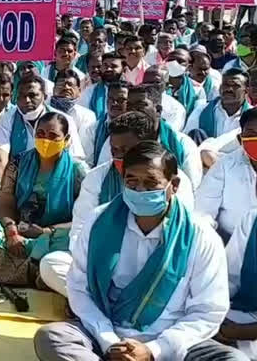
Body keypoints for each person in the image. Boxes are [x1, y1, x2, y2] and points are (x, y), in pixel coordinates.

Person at [34, 141, 244, 361]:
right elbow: (79, 288)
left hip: (172, 343)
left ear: (174, 184)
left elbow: (207, 310)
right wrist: (109, 342)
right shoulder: (99, 221)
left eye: (151, 183)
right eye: (131, 181)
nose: (140, 190)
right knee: (51, 337)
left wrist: (154, 350)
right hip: (107, 335)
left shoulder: (200, 235)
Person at [38, 113, 196, 297]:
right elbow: (80, 229)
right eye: (115, 151)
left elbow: (180, 232)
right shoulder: (97, 177)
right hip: (104, 265)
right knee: (52, 264)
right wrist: (101, 267)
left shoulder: (172, 182)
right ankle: (108, 303)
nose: (119, 157)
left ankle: (99, 304)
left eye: (126, 150)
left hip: (158, 267)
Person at [0, 112, 87, 288]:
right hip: (17, 230)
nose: (46, 140)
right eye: (40, 134)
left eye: (53, 136)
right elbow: (6, 201)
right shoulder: (18, 161)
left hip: (53, 235)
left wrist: (46, 231)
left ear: (67, 139)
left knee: (73, 244)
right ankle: (34, 274)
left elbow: (83, 218)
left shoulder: (78, 171)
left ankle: (31, 271)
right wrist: (11, 231)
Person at [95, 83, 202, 188]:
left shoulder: (183, 144)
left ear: (158, 110)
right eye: (129, 106)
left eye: (140, 105)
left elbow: (191, 187)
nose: (133, 111)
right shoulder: (117, 140)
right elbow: (102, 174)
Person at [196, 108, 257, 242]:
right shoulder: (225, 166)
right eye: (252, 133)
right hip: (230, 241)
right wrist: (210, 241)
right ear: (241, 138)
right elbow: (203, 211)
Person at [0, 74, 86, 161]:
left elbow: (76, 158)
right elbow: (1, 155)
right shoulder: (8, 119)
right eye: (22, 96)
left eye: (32, 95)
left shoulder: (64, 120)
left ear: (44, 96)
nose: (27, 100)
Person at [222, 207, 257, 358]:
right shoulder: (252, 219)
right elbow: (229, 278)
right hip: (242, 313)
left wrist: (250, 331)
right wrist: (214, 317)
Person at [185, 68, 251, 143]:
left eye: (235, 85)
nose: (229, 89)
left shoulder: (252, 117)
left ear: (246, 90)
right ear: (220, 88)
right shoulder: (201, 110)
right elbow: (187, 143)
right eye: (225, 85)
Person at [49, 70, 96, 144]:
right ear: (54, 89)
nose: (66, 87)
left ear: (79, 91)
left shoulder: (87, 116)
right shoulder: (45, 110)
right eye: (62, 84)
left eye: (70, 85)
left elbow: (85, 147)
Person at [78, 51, 125, 120]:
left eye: (113, 66)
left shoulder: (129, 91)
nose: (108, 69)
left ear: (123, 69)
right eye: (105, 66)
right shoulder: (90, 91)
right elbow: (83, 117)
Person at [141, 65, 187, 131]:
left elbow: (170, 132)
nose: (150, 85)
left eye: (156, 82)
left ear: (166, 85)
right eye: (146, 82)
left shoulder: (176, 109)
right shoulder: (136, 102)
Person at [166, 49, 207, 120]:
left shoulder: (197, 90)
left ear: (189, 67)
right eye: (171, 60)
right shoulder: (159, 86)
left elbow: (197, 115)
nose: (174, 63)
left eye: (180, 61)